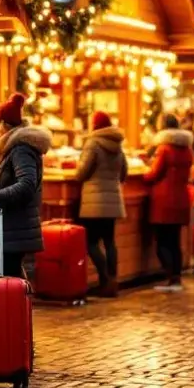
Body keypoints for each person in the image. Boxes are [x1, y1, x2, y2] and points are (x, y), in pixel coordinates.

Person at [0, 92, 51, 279]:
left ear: (4, 124)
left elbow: (27, 184)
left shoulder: (20, 149)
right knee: (1, 278)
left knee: (5, 278)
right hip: (1, 228)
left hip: (10, 228)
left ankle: (18, 299)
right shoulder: (3, 148)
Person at [75, 111, 126, 298]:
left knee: (90, 242)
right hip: (113, 200)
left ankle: (104, 280)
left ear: (95, 125)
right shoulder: (118, 145)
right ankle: (112, 281)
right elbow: (124, 173)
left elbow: (81, 173)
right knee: (110, 241)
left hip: (94, 202)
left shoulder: (93, 143)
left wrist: (76, 168)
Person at [143, 114, 194, 291]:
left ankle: (171, 278)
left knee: (161, 242)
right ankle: (177, 279)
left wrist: (144, 173)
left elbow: (154, 174)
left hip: (164, 200)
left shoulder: (164, 149)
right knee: (174, 241)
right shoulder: (187, 149)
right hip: (180, 198)